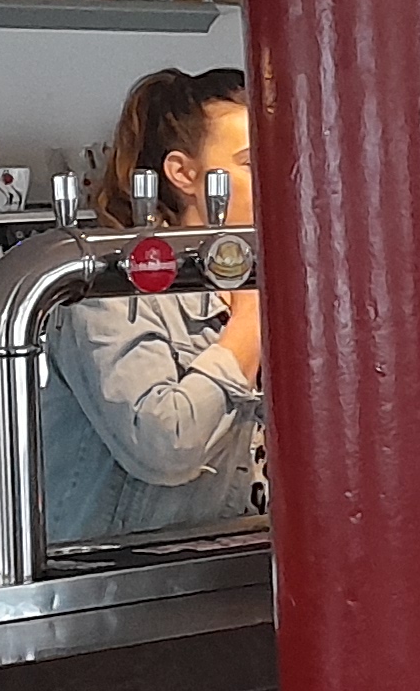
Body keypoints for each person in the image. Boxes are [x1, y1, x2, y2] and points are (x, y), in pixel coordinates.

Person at [41, 66, 265, 548]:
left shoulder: (271, 280)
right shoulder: (112, 289)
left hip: (232, 566)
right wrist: (249, 325)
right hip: (119, 584)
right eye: (253, 162)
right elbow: (166, 446)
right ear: (183, 174)